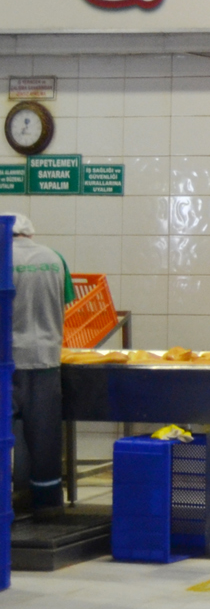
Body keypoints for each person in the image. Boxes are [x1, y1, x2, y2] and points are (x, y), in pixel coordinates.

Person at [9, 215, 73, 513]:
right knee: (45, 437)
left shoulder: (3, 259)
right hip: (47, 358)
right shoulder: (55, 258)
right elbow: (66, 299)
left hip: (8, 361)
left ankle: (7, 501)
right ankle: (47, 505)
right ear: (29, 233)